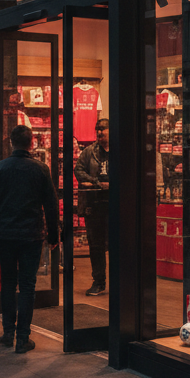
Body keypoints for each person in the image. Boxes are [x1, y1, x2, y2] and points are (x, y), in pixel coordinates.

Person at [0, 125, 60, 353]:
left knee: (8, 283)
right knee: (27, 285)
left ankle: (8, 332)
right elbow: (51, 205)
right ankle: (23, 337)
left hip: (5, 234)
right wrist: (54, 235)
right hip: (32, 235)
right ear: (31, 143)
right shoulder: (41, 169)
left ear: (11, 143)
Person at [73, 118, 110, 296]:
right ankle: (99, 281)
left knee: (117, 244)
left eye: (103, 129)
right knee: (96, 246)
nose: (100, 133)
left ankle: (119, 281)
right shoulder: (89, 152)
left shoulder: (119, 149)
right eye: (98, 130)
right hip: (94, 204)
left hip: (115, 204)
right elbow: (78, 171)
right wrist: (96, 182)